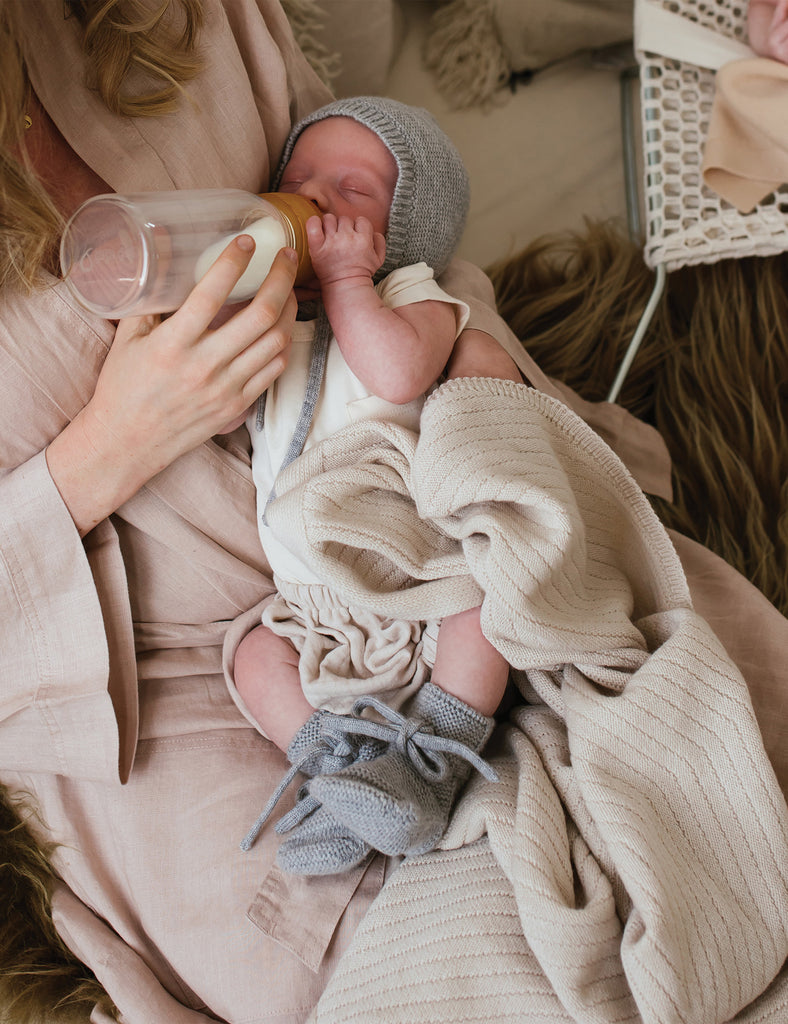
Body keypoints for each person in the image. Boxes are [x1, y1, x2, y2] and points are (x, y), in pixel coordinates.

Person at [0, 2, 534, 1021]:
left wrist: (459, 369)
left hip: (403, 485)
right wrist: (106, 451)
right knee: (434, 967)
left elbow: (378, 206)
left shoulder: (165, 15)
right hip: (145, 659)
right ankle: (349, 773)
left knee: (676, 768)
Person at [229, 97, 522, 876]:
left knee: (484, 607)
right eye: (300, 178)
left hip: (416, 577)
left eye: (354, 191)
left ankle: (436, 759)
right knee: (253, 659)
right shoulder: (273, 314)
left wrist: (351, 279)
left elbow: (398, 371)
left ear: (406, 232)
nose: (318, 196)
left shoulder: (411, 296)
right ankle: (342, 773)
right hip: (312, 602)